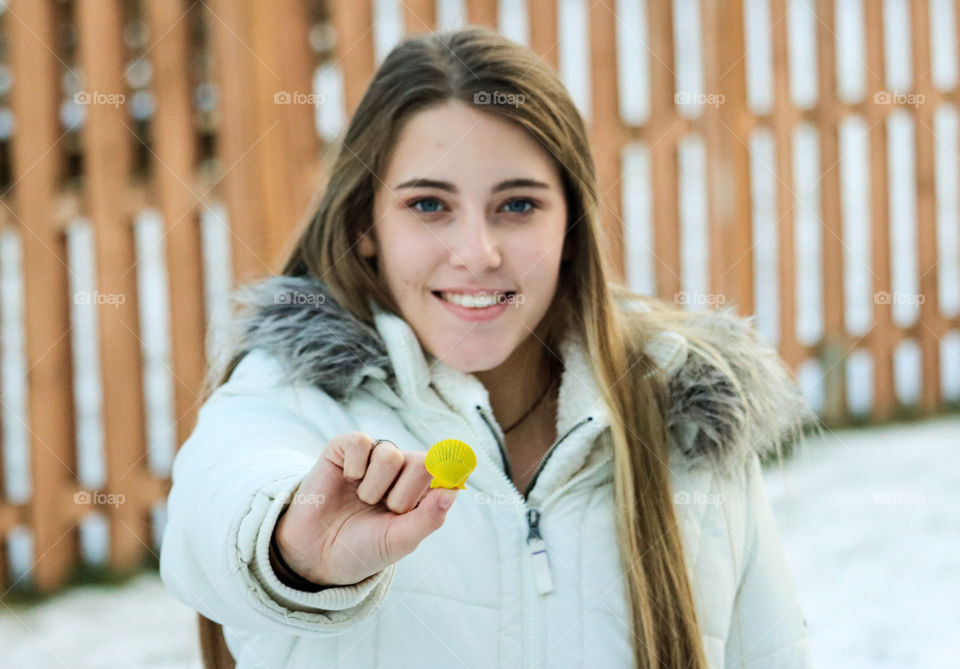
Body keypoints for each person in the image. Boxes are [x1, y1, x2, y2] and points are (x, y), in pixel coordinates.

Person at [159, 26, 815, 669]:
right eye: (428, 205)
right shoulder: (292, 394)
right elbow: (213, 504)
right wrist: (291, 547)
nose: (477, 252)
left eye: (519, 205)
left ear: (571, 226)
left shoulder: (685, 420)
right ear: (366, 225)